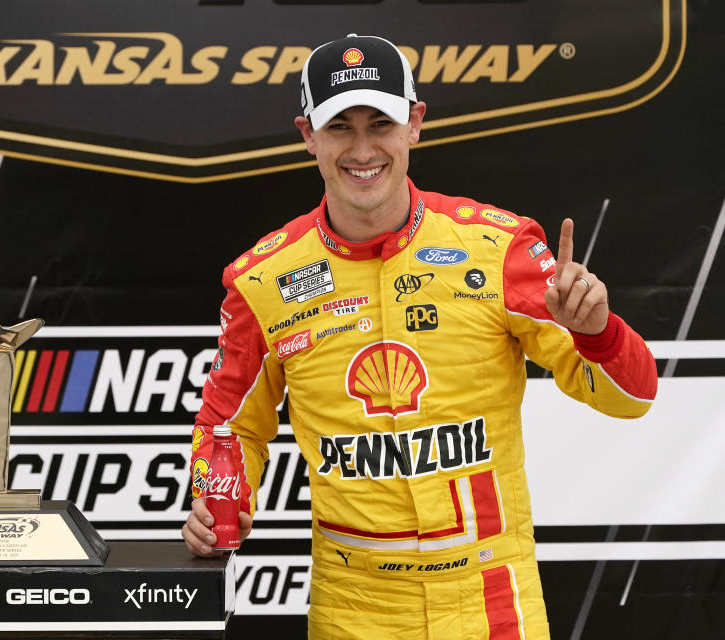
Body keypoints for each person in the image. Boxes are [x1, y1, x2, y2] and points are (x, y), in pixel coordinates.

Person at [183, 33, 657, 640]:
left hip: (492, 601)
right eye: (339, 127)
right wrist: (212, 498)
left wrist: (599, 333)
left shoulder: (499, 247)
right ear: (308, 135)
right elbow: (228, 427)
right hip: (351, 607)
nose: (362, 149)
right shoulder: (261, 281)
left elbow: (634, 399)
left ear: (415, 123)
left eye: (380, 122)